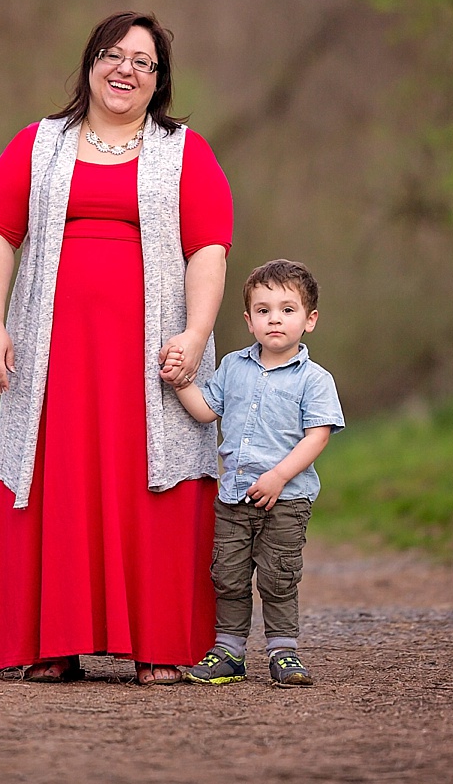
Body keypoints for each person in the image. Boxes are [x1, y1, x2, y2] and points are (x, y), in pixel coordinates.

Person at [0, 11, 233, 685]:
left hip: (151, 358)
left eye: (143, 62)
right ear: (89, 64)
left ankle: (158, 645)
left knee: (154, 482)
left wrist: (196, 334)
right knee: (57, 480)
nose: (126, 70)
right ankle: (53, 641)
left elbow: (208, 248)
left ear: (159, 82)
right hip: (53, 355)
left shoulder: (185, 152)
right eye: (113, 55)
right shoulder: (39, 144)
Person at [164, 258, 344, 687]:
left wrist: (280, 476)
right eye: (263, 311)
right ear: (249, 320)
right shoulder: (233, 368)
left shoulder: (314, 380)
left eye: (287, 309)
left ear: (310, 319)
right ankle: (229, 652)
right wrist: (180, 382)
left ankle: (284, 653)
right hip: (234, 497)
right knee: (228, 576)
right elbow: (207, 412)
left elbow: (317, 437)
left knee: (278, 578)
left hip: (287, 499)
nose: (274, 319)